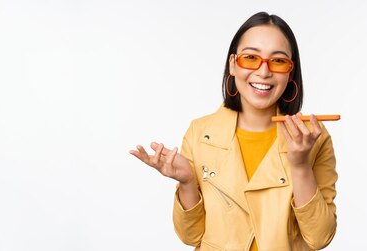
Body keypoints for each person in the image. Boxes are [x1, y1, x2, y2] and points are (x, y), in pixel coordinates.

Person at [129, 12, 338, 251]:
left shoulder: (313, 137)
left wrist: (300, 165)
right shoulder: (200, 133)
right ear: (232, 65)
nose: (263, 71)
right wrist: (188, 182)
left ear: (290, 72)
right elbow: (191, 236)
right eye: (250, 57)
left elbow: (319, 237)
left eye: (278, 61)